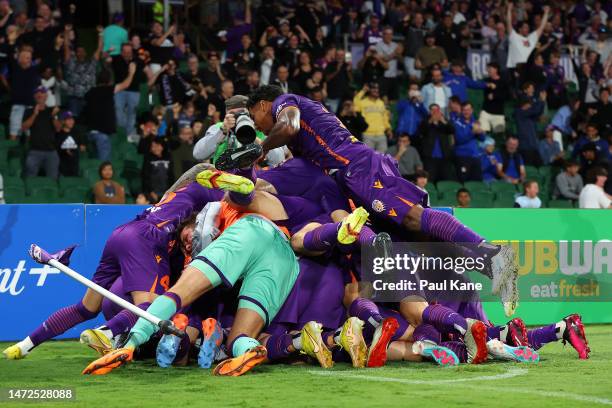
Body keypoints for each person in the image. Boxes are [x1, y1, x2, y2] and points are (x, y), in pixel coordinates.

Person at [246, 85, 521, 316]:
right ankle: (488, 266)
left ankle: (495, 255)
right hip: (352, 176)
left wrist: (260, 148)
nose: (257, 125)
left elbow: (289, 125)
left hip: (361, 168)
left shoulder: (285, 103)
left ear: (263, 104)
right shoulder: (299, 141)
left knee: (414, 216)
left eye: (253, 116)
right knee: (418, 238)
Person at [3, 179, 223, 360]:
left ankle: (24, 345)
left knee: (86, 308)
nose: (190, 243)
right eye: (193, 236)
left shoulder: (172, 231)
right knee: (149, 306)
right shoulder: (189, 200)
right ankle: (106, 333)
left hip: (120, 235)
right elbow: (214, 187)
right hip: (145, 238)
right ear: (196, 219)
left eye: (192, 245)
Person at [84, 66, 136, 161]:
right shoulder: (107, 90)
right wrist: (131, 73)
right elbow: (126, 84)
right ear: (109, 81)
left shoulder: (90, 92)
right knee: (105, 163)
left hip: (96, 132)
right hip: (100, 134)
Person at [63, 24, 103, 117]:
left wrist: (101, 34)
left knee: (89, 121)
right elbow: (66, 46)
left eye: (82, 51)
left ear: (85, 53)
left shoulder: (91, 64)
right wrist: (67, 32)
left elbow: (99, 48)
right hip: (74, 99)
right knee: (73, 120)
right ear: (75, 53)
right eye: (78, 51)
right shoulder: (71, 63)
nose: (80, 53)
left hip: (89, 98)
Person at [112, 43, 149, 142]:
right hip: (119, 90)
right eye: (125, 51)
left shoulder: (138, 60)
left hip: (134, 91)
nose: (127, 53)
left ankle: (130, 136)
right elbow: (105, 59)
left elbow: (148, 71)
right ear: (121, 52)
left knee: (132, 113)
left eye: (129, 51)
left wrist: (149, 84)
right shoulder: (116, 59)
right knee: (118, 110)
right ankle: (124, 132)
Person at [22, 86, 61, 179]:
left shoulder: (52, 111)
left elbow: (58, 128)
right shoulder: (29, 111)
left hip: (51, 151)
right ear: (34, 96)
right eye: (37, 93)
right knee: (30, 178)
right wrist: (35, 114)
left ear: (46, 96)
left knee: (52, 180)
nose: (39, 94)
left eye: (42, 92)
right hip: (34, 151)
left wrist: (54, 116)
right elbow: (24, 127)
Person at [506, 4, 550, 73]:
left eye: (528, 28)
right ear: (520, 29)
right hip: (515, 70)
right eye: (525, 27)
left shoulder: (531, 38)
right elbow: (508, 23)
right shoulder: (514, 37)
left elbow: (542, 27)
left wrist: (546, 13)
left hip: (529, 70)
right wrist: (509, 10)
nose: (527, 29)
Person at [418, 104, 456, 183]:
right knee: (430, 181)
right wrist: (430, 121)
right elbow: (421, 132)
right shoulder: (425, 122)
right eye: (433, 110)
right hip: (430, 158)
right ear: (429, 112)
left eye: (437, 110)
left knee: (447, 181)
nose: (435, 112)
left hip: (444, 158)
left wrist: (443, 121)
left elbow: (452, 130)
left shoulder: (444, 122)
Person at [8, 48, 39, 140]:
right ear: (20, 59)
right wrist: (11, 43)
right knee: (14, 132)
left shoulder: (34, 70)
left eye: (29, 58)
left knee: (30, 134)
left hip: (30, 106)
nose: (29, 60)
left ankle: (30, 153)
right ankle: (11, 152)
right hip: (17, 105)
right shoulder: (15, 69)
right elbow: (10, 58)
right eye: (26, 57)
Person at [353, 83, 391, 153]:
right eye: (374, 88)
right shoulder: (362, 102)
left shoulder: (381, 103)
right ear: (369, 90)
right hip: (368, 135)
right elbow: (355, 104)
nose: (376, 90)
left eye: (377, 89)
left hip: (381, 135)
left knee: (381, 159)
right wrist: (363, 91)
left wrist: (388, 128)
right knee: (368, 158)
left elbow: (385, 117)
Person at [451, 102, 485, 182]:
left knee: (477, 183)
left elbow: (482, 139)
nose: (466, 112)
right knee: (463, 182)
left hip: (475, 156)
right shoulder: (457, 123)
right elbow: (459, 139)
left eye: (468, 110)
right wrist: (473, 132)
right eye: (464, 110)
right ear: (461, 111)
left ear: (472, 110)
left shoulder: (474, 122)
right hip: (462, 156)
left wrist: (480, 132)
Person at [514, 92, 546, 166]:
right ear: (524, 104)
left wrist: (542, 102)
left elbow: (538, 112)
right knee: (528, 167)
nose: (530, 106)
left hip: (534, 146)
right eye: (529, 104)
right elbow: (535, 111)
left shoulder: (530, 115)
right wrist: (541, 100)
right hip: (525, 147)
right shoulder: (519, 112)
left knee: (540, 165)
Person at [479, 62, 509, 136]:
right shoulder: (485, 81)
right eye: (488, 68)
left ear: (496, 70)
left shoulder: (503, 82)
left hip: (498, 113)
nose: (488, 70)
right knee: (482, 132)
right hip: (486, 111)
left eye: (490, 68)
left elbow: (507, 96)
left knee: (499, 135)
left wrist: (495, 95)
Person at [374, 27, 402, 102]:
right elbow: (383, 59)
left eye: (390, 34)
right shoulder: (378, 45)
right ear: (383, 35)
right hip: (384, 76)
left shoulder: (395, 45)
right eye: (386, 34)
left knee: (394, 100)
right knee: (383, 99)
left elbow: (400, 59)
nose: (389, 36)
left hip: (394, 76)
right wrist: (394, 54)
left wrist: (398, 54)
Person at [56, 111, 85, 177]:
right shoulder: (58, 134)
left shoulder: (76, 132)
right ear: (63, 121)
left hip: (74, 165)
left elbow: (82, 145)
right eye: (69, 120)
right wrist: (65, 151)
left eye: (72, 119)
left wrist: (82, 147)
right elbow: (56, 149)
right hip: (62, 167)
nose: (71, 121)